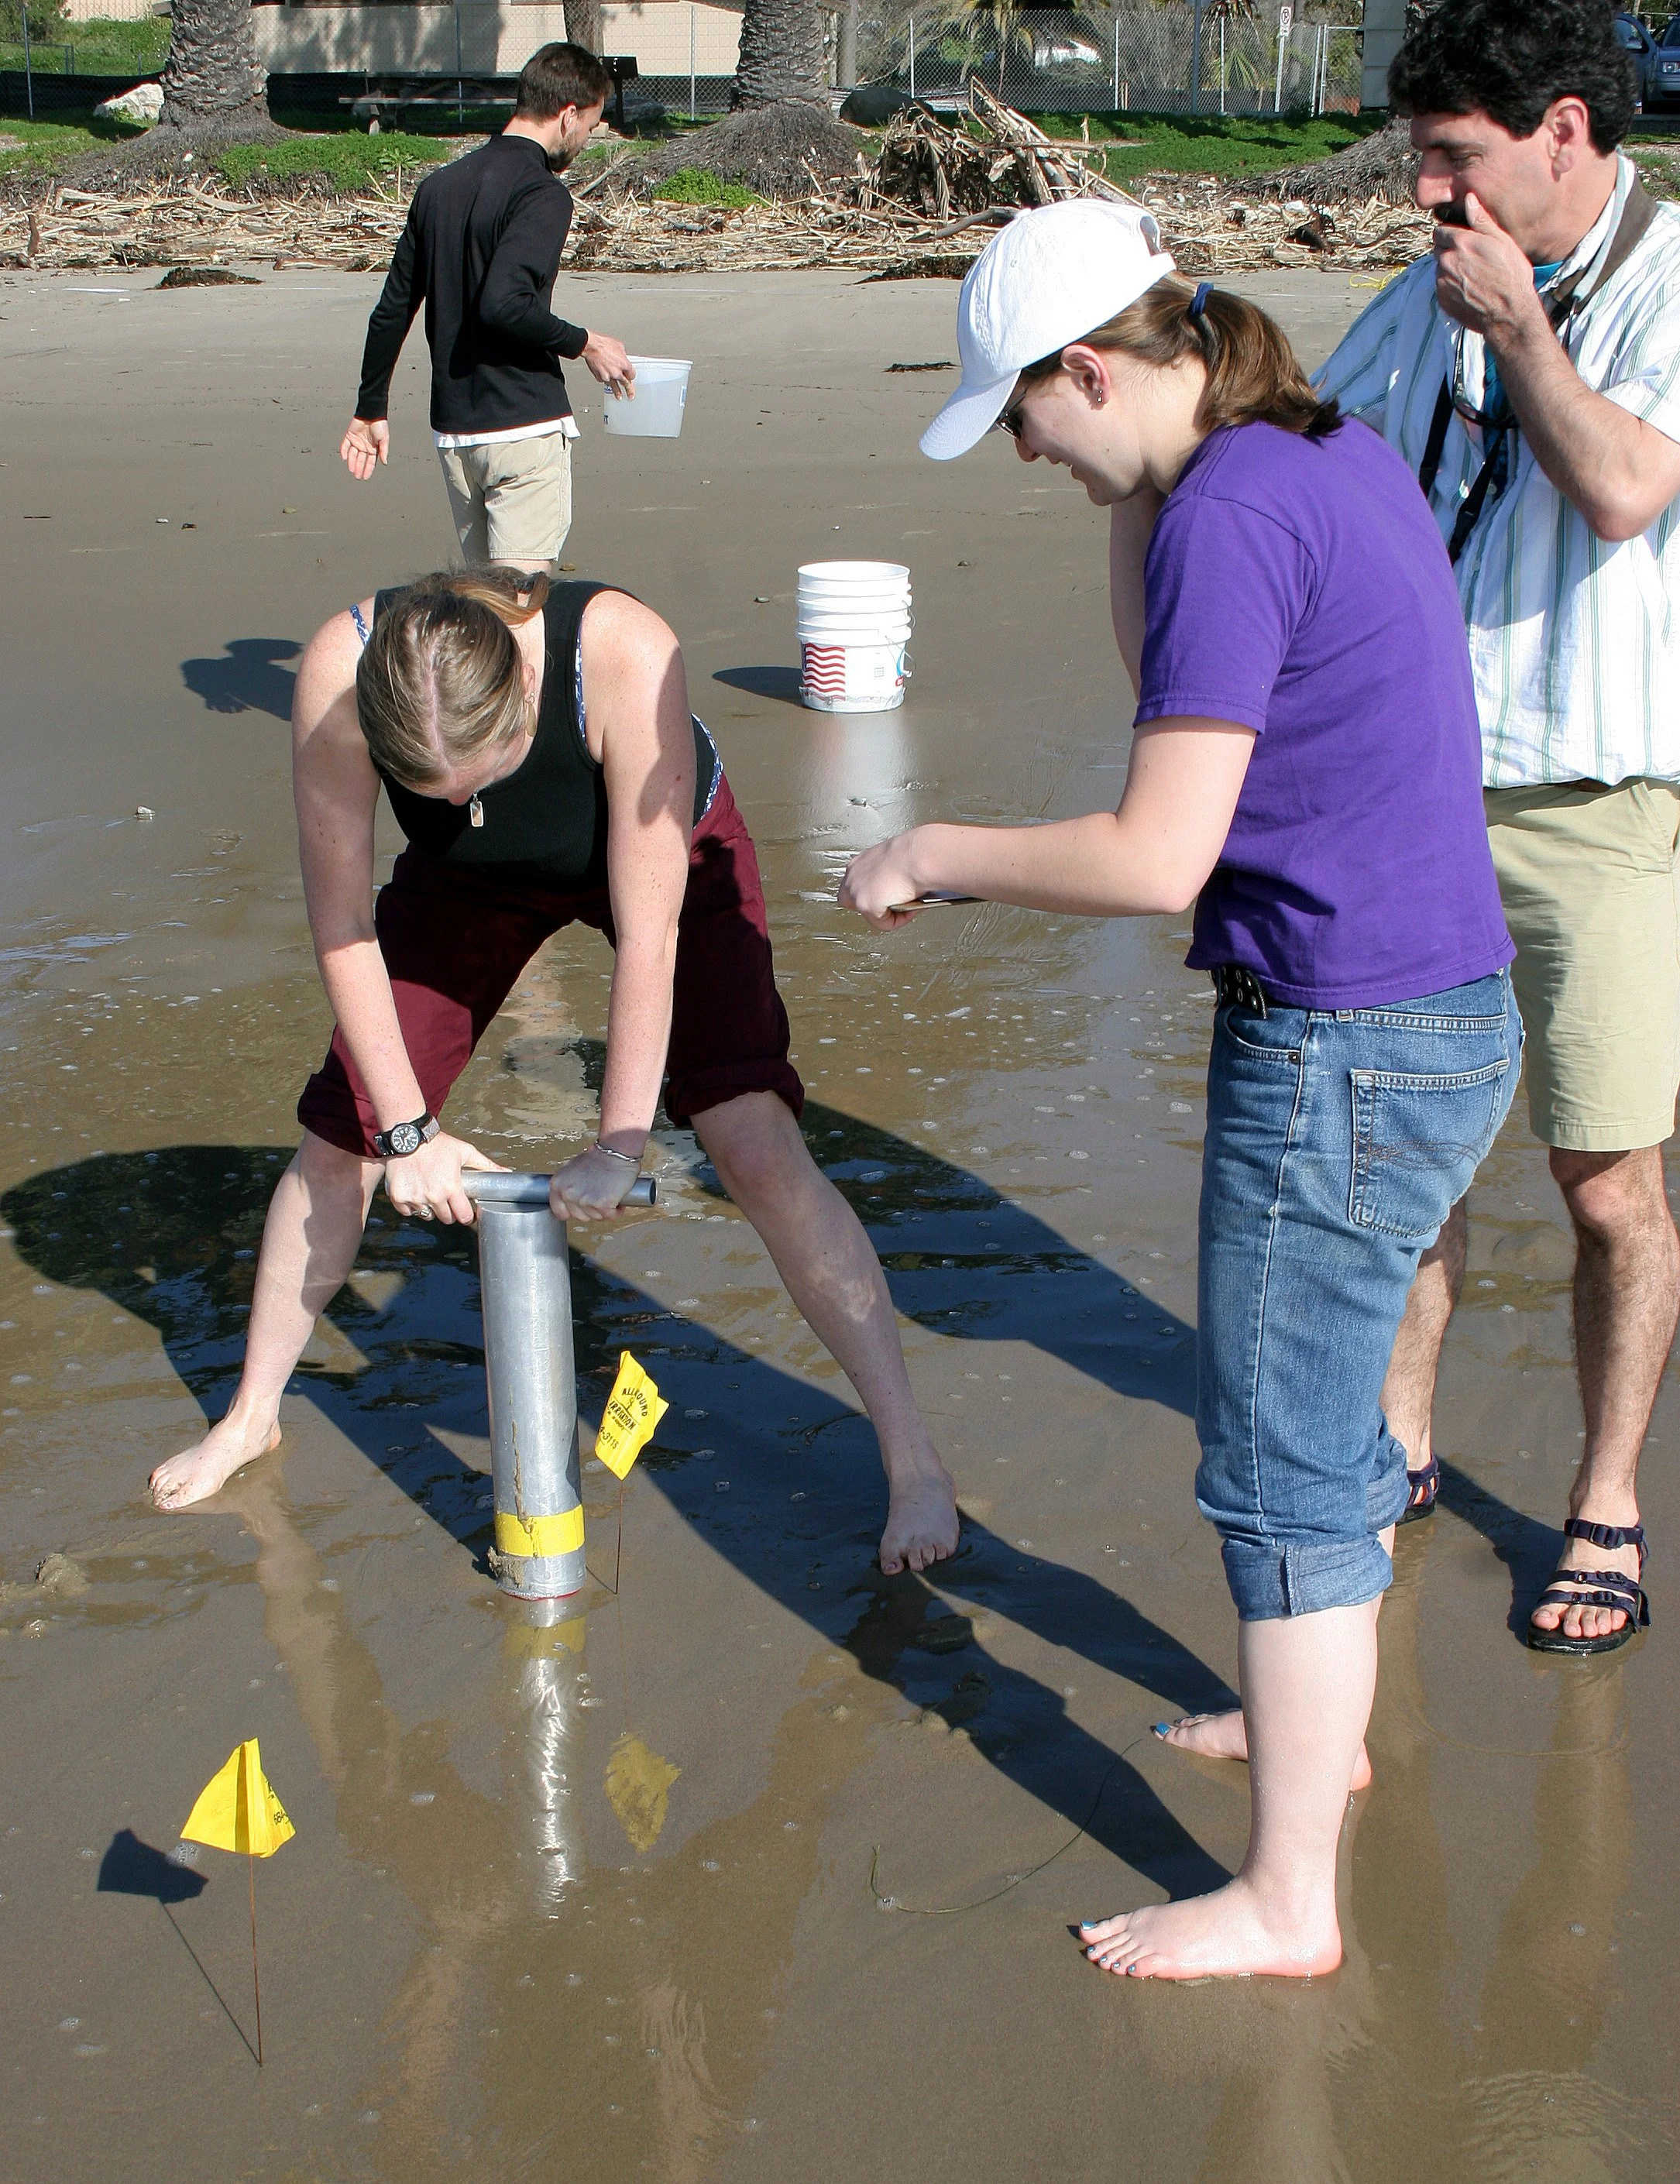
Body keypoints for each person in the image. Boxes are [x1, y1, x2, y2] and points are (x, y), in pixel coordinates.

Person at [840, 200, 1519, 1979]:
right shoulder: (1304, 448)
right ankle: (1318, 1726)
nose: (1017, 449)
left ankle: (1284, 1895)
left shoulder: (1222, 505)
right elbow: (1176, 684)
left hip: (1343, 1040)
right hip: (1432, 1010)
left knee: (1279, 1465)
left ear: (1088, 366)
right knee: (1321, 1439)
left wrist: (933, 848)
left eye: (1022, 414)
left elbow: (1155, 852)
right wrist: (1123, 489)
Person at [147, 568, 959, 1580]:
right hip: (460, 888)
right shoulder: (335, 675)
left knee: (751, 1141)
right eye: (434, 792)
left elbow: (650, 938)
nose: (468, 801)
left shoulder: (621, 653)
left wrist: (622, 1140)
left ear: (525, 701)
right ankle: (252, 1415)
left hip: (666, 858)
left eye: (485, 776)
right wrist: (404, 1131)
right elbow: (341, 922)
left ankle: (910, 1454)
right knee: (340, 1137)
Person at [1307, 0, 1678, 1654]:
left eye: (1452, 159)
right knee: (1412, 1165)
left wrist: (1521, 333)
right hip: (1410, 801)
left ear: (1565, 129)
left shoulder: (1666, 284)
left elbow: (1617, 489)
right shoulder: (1414, 301)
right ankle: (1394, 1446)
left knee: (1604, 1180)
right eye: (1417, 160)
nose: (1425, 197)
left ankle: (1602, 1503)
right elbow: (1320, 478)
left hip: (1597, 796)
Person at [340, 42, 636, 575]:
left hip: (456, 433)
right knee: (519, 609)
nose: (587, 139)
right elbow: (505, 303)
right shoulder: (542, 193)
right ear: (567, 116)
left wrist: (370, 409)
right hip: (522, 423)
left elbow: (391, 311)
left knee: (483, 615)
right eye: (590, 126)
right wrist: (586, 342)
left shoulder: (438, 188)